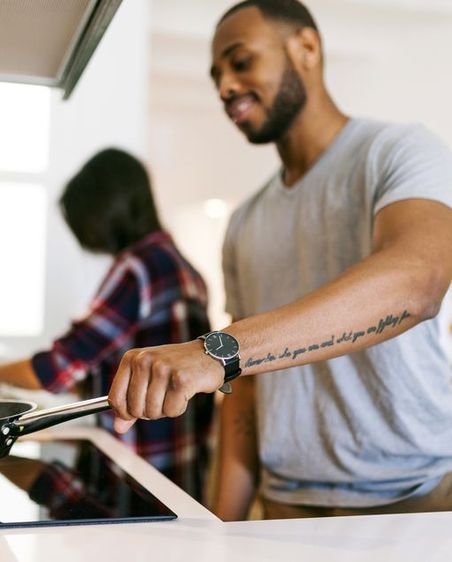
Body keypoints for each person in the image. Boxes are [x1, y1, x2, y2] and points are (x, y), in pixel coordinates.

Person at [107, 0, 452, 520]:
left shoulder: (400, 151)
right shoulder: (245, 222)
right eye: (216, 75)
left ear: (306, 48)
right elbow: (243, 391)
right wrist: (216, 529)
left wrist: (217, 350)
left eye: (240, 62)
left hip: (417, 497)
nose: (224, 87)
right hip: (287, 502)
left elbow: (418, 281)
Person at [0, 148, 214, 502]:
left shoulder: (139, 269)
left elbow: (55, 369)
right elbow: (128, 373)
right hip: (181, 475)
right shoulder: (184, 269)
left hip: (136, 478)